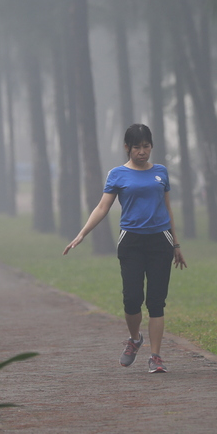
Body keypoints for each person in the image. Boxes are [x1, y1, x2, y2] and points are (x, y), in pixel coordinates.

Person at [64, 124, 186, 373]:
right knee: (132, 299)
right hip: (131, 241)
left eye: (146, 146)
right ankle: (134, 339)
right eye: (137, 147)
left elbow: (167, 209)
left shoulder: (161, 172)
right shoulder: (117, 174)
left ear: (151, 146)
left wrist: (176, 243)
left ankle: (155, 357)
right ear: (127, 148)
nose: (142, 152)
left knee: (156, 301)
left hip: (159, 241)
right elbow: (102, 207)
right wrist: (82, 233)